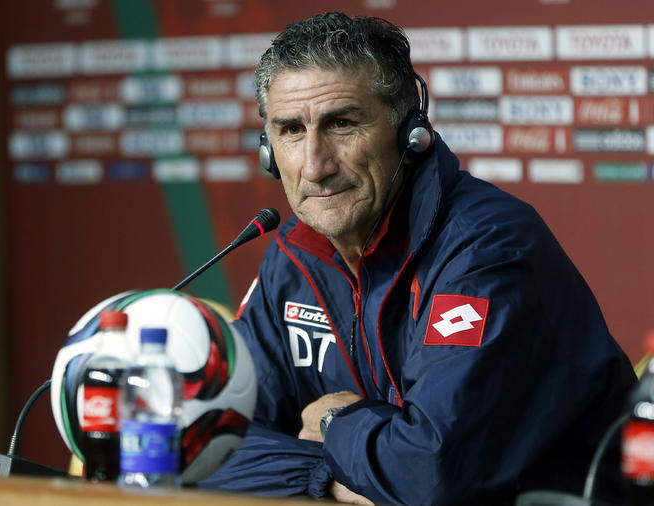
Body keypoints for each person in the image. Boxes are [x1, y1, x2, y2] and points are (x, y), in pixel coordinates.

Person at [200, 12, 636, 505]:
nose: (315, 167)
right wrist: (331, 476)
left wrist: (335, 423)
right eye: (291, 131)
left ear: (411, 133)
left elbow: (429, 474)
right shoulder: (293, 254)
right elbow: (205, 438)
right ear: (268, 150)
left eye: (342, 124)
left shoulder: (487, 248)